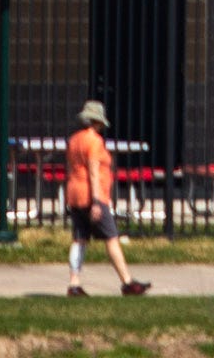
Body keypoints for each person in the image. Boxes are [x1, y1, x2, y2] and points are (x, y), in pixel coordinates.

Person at [64, 99, 148, 297]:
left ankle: (74, 283)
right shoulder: (94, 141)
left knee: (79, 239)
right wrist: (96, 202)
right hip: (92, 195)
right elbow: (93, 172)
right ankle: (127, 282)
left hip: (74, 193)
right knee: (111, 238)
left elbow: (71, 167)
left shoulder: (74, 140)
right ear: (98, 122)